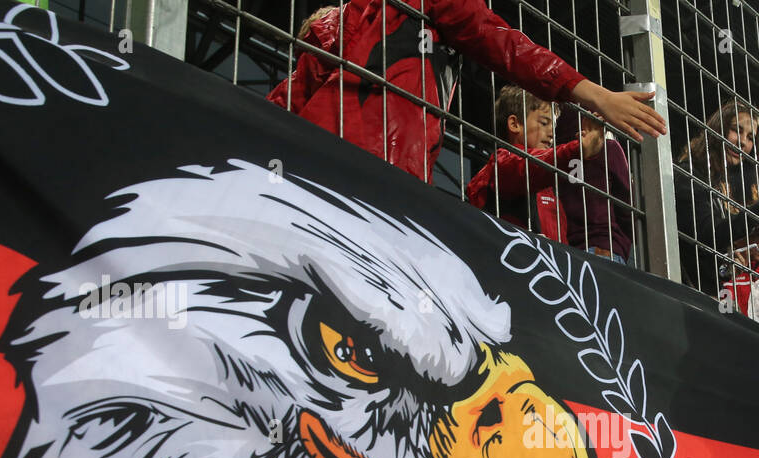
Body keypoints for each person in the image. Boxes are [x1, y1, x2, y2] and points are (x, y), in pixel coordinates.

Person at [266, 1, 665, 184]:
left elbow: (287, 100)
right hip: (375, 173)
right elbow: (502, 44)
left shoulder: (346, 22)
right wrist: (593, 94)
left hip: (313, 164)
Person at [674, 101, 759, 295]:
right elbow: (708, 235)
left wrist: (730, 260)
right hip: (685, 295)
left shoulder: (719, 188)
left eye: (751, 137)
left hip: (708, 298)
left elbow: (712, 248)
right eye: (736, 130)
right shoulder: (689, 174)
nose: (743, 142)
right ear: (719, 129)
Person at [466, 86, 603, 243]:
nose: (552, 133)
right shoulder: (501, 164)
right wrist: (577, 150)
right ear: (514, 124)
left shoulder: (549, 189)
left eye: (554, 126)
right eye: (544, 123)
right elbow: (529, 166)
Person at [554, 107, 633, 264]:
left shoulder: (556, 155)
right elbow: (626, 206)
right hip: (605, 245)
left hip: (568, 252)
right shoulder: (609, 148)